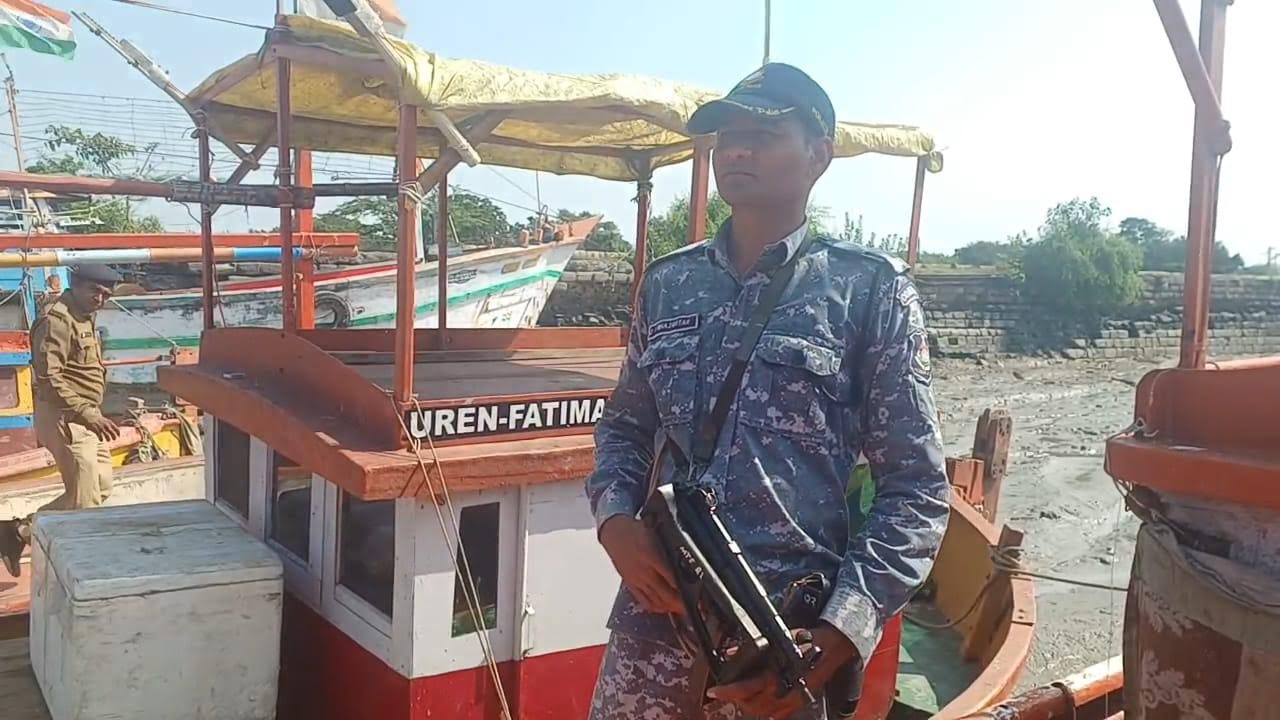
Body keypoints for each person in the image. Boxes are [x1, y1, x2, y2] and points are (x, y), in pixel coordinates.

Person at [584, 63, 951, 720]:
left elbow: (916, 491)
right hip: (655, 632)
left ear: (819, 156)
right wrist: (614, 522)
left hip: (783, 647)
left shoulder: (868, 291)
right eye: (727, 137)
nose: (736, 151)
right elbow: (625, 430)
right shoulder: (668, 284)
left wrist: (841, 632)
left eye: (762, 135)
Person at [0, 264, 122, 578]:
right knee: (85, 503)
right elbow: (49, 378)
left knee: (100, 487)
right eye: (95, 291)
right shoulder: (56, 320)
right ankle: (85, 570)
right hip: (67, 418)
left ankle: (19, 532)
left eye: (106, 295)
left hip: (86, 417)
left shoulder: (83, 315)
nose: (100, 299)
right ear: (75, 284)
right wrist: (89, 414)